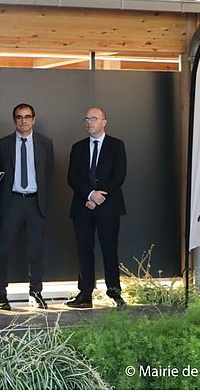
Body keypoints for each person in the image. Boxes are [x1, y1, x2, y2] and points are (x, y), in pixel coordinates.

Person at [0, 103, 54, 310]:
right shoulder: (3, 144)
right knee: (2, 250)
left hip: (36, 202)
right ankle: (0, 295)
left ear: (33, 119)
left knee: (36, 251)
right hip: (12, 202)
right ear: (14, 120)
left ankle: (36, 293)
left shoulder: (46, 143)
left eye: (27, 117)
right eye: (19, 117)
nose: (23, 120)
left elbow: (48, 173)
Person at [66, 107, 127, 309]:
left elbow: (119, 176)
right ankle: (85, 294)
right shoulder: (78, 147)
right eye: (87, 119)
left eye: (94, 118)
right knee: (84, 251)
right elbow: (72, 177)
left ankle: (115, 292)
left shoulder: (117, 145)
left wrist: (99, 196)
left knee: (110, 250)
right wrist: (90, 195)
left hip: (108, 206)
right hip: (82, 206)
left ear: (104, 122)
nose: (89, 122)